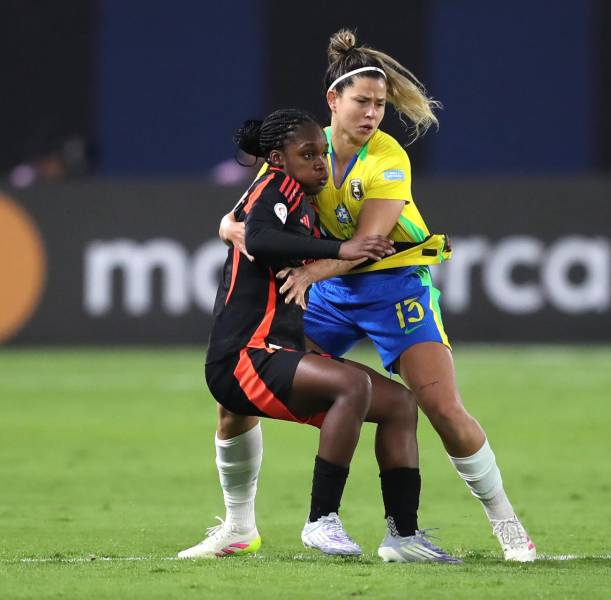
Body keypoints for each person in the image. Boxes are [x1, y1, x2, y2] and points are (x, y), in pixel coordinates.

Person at [221, 31, 536, 562]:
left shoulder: (388, 157)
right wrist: (233, 230)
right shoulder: (306, 146)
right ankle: (237, 526)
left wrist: (310, 273)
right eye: (362, 101)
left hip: (394, 287)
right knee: (236, 395)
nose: (372, 114)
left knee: (441, 407)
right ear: (333, 100)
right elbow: (238, 216)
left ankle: (506, 524)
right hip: (329, 292)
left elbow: (366, 244)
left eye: (381, 104)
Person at [179, 109, 457, 562]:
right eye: (307, 155)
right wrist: (340, 248)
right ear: (277, 159)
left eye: (322, 154)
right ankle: (320, 520)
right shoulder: (274, 188)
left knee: (400, 404)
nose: (320, 165)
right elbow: (259, 238)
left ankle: (403, 537)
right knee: (354, 385)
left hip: (277, 350)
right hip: (244, 356)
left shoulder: (301, 200)